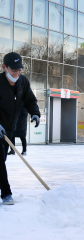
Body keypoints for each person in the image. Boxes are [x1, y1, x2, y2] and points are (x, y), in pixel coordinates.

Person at [0, 52, 41, 205]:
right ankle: (6, 194)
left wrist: (35, 113)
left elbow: (30, 100)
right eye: (13, 70)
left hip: (9, 130)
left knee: (2, 161)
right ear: (5, 67)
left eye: (19, 70)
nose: (16, 73)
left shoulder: (22, 82)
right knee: (0, 162)